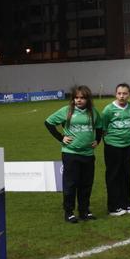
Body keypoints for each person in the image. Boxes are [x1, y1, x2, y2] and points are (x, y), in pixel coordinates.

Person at [44, 86, 102, 222]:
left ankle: (84, 211)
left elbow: (99, 126)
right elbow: (48, 122)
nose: (79, 100)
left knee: (86, 184)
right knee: (70, 184)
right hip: (71, 154)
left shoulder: (93, 112)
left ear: (88, 99)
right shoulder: (67, 110)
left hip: (88, 154)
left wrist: (97, 140)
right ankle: (69, 212)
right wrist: (61, 138)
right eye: (76, 97)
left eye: (82, 98)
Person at [100, 83, 130, 216]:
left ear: (129, 94)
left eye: (125, 93)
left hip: (127, 146)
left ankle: (126, 204)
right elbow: (103, 128)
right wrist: (110, 142)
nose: (122, 96)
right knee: (113, 176)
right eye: (119, 93)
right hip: (112, 147)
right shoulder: (108, 109)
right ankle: (113, 207)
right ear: (116, 94)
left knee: (126, 175)